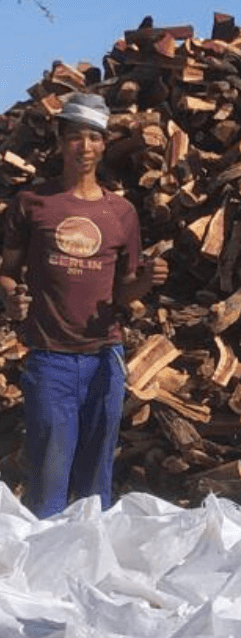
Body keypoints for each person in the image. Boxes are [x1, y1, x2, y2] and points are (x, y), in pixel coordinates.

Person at [0, 91, 168, 518]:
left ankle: (88, 571)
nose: (85, 148)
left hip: (102, 359)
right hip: (49, 359)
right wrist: (10, 295)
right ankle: (44, 576)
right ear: (60, 141)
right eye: (76, 137)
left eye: (94, 138)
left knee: (96, 490)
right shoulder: (32, 204)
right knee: (49, 483)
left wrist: (145, 283)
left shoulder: (121, 212)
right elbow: (8, 270)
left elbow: (123, 290)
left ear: (104, 143)